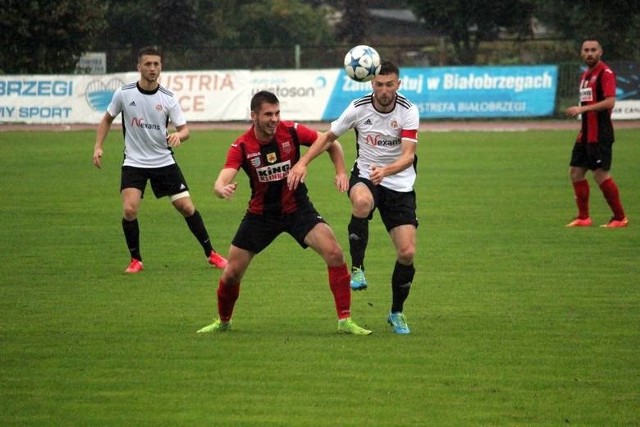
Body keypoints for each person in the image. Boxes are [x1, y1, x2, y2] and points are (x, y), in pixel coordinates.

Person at [197, 90, 371, 335]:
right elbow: (222, 178)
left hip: (297, 208)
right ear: (253, 116)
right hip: (260, 215)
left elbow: (332, 142)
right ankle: (223, 321)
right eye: (268, 114)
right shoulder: (242, 145)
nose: (274, 119)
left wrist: (341, 171)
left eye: (277, 113)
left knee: (334, 253)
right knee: (232, 273)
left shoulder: (291, 131)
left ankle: (345, 320)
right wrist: (220, 189)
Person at [290, 61, 419, 335]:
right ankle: (358, 268)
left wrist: (387, 170)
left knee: (407, 253)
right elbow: (328, 137)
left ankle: (396, 312)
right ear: (371, 83)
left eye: (389, 84)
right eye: (379, 84)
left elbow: (408, 155)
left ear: (399, 84)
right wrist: (303, 163)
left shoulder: (408, 111)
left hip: (399, 183)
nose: (384, 90)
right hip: (366, 175)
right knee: (361, 202)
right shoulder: (359, 107)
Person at [93, 46, 228, 273]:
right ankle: (136, 260)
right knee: (129, 210)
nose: (152, 68)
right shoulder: (124, 94)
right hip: (134, 162)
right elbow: (107, 119)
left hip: (163, 161)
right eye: (148, 64)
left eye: (156, 64)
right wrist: (98, 146)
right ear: (139, 67)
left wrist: (178, 136)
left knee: (186, 207)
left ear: (161, 67)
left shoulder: (168, 98)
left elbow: (185, 131)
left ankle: (211, 253)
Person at [565, 39, 628, 228]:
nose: (589, 53)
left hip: (600, 133)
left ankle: (619, 218)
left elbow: (610, 102)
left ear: (600, 52)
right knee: (576, 172)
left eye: (593, 50)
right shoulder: (585, 75)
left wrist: (582, 110)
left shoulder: (605, 73)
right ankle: (583, 218)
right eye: (586, 50)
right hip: (585, 134)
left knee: (601, 175)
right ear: (581, 53)